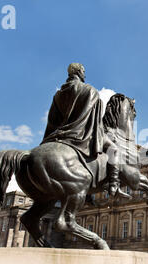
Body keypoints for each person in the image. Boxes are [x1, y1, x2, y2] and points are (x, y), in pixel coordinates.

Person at [42, 63, 130, 199]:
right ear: (78, 72)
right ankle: (114, 184)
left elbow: (52, 121)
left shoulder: (58, 95)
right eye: (83, 71)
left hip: (59, 136)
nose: (84, 73)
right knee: (114, 148)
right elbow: (95, 120)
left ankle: (88, 191)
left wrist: (50, 139)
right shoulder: (89, 90)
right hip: (82, 133)